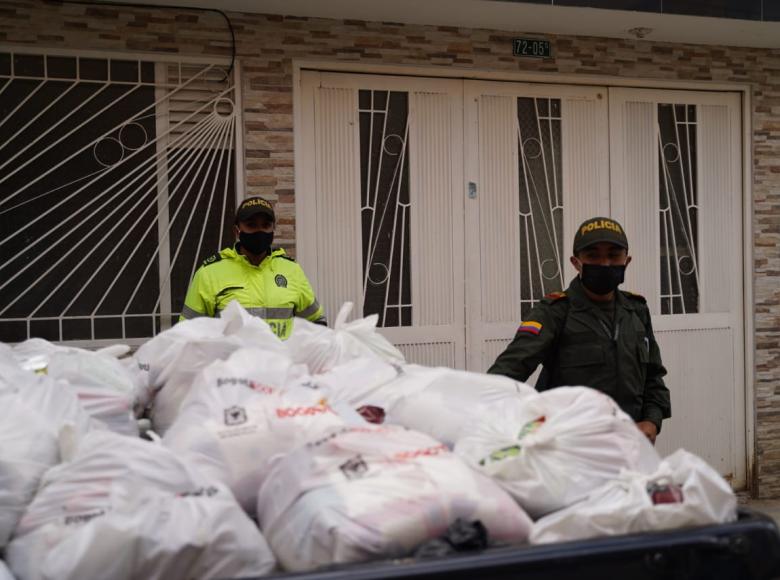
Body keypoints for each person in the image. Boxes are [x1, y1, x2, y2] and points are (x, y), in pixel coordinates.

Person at [487, 216, 671, 443]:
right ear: (576, 262)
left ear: (627, 260)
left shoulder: (636, 311)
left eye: (614, 255)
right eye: (593, 255)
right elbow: (505, 375)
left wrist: (652, 421)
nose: (605, 264)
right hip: (567, 451)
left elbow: (653, 376)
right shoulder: (555, 312)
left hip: (628, 446)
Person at [180, 196, 326, 339]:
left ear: (273, 230)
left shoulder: (291, 270)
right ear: (237, 231)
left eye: (266, 225)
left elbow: (316, 322)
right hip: (232, 363)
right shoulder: (209, 274)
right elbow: (188, 332)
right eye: (251, 225)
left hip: (281, 362)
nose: (260, 231)